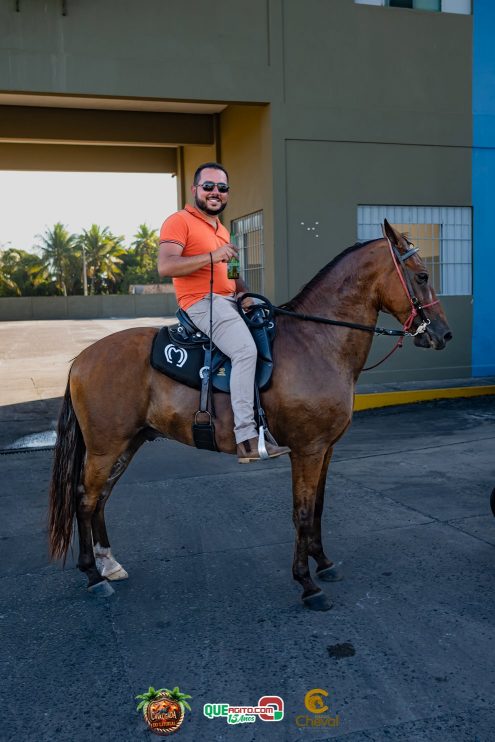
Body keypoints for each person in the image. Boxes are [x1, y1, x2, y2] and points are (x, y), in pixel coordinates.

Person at [157, 162, 290, 463]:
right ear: (195, 190)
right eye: (208, 186)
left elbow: (232, 272)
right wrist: (211, 256)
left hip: (229, 301)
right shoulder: (179, 221)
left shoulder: (222, 229)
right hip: (201, 302)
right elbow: (166, 266)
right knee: (244, 350)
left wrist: (245, 294)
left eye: (222, 187)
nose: (215, 192)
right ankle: (245, 439)